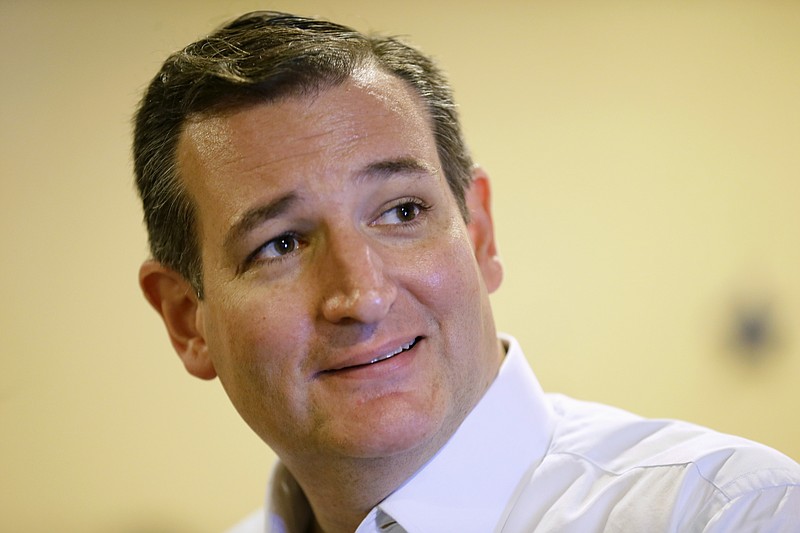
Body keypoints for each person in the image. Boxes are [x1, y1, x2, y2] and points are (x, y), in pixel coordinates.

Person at [133, 11, 800, 533]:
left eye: (400, 210)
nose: (360, 294)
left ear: (479, 233)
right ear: (187, 321)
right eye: (278, 245)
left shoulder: (726, 511)